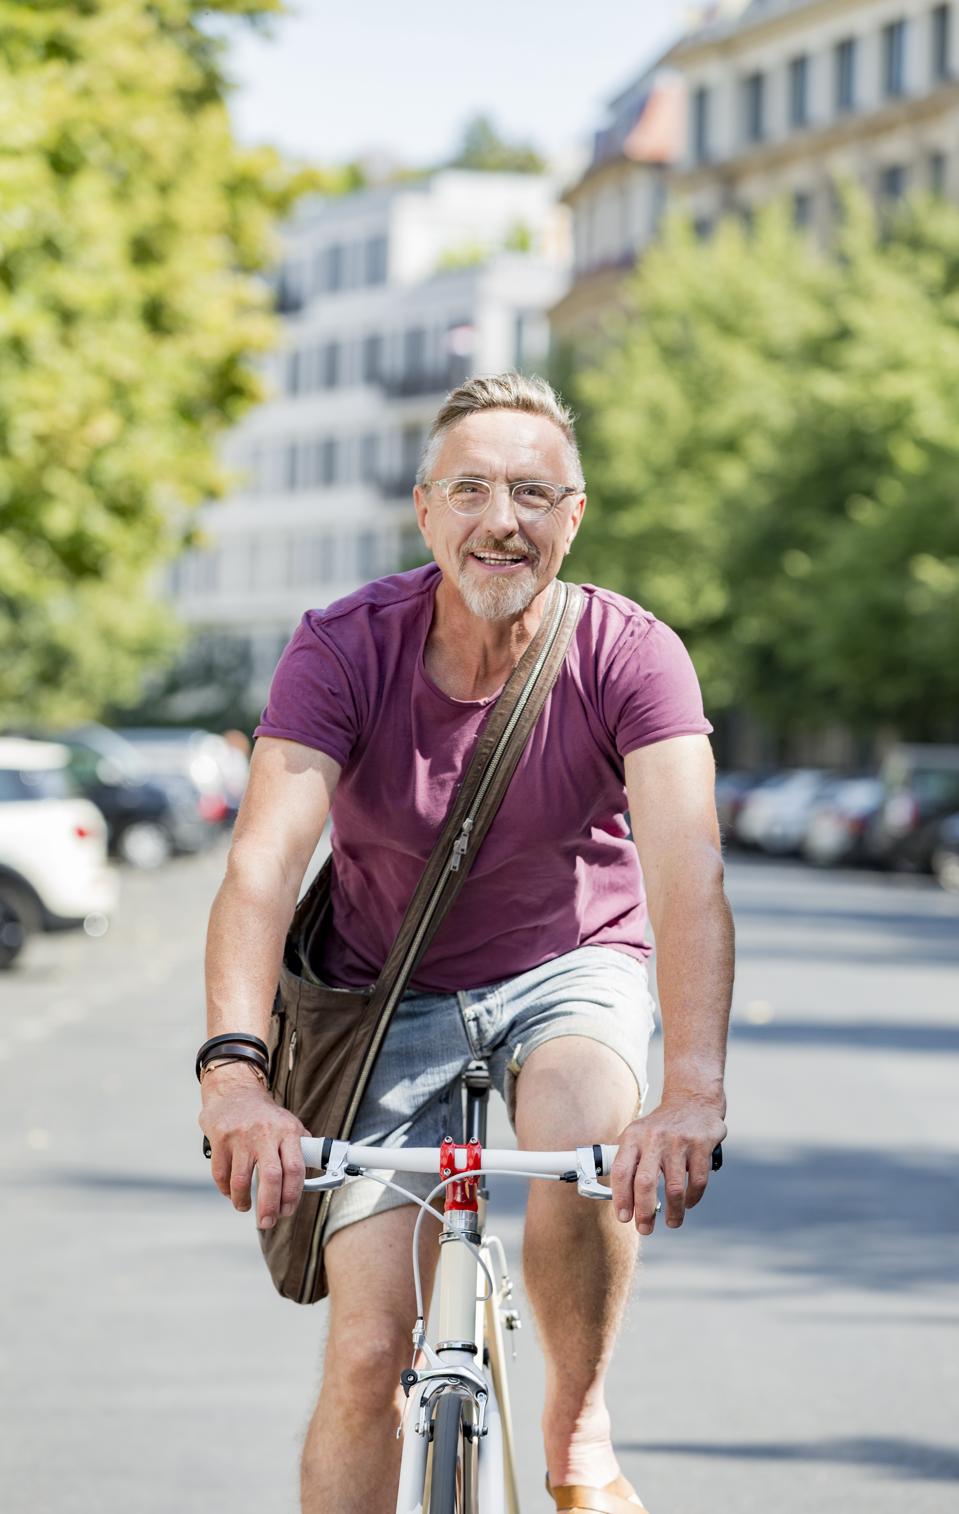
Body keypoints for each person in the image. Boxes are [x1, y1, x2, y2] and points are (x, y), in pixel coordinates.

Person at [199, 372, 733, 1514]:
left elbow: (685, 870)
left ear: (572, 517)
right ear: (425, 508)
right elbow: (259, 865)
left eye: (535, 492)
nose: (505, 517)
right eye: (474, 488)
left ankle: (574, 1424)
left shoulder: (631, 653)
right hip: (381, 997)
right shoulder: (342, 647)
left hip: (567, 961)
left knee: (586, 1133)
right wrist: (236, 1075)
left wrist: (686, 1088)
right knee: (364, 1350)